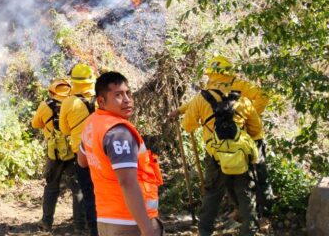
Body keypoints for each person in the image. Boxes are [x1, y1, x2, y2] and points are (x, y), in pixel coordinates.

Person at [177, 57, 262, 236]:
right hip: (240, 156)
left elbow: (187, 126)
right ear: (229, 75)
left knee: (212, 194)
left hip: (215, 155)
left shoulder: (201, 99)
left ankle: (205, 231)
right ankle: (250, 231)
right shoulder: (244, 101)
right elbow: (256, 129)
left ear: (211, 75)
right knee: (245, 192)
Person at [78, 71, 163, 236]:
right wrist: (147, 229)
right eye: (118, 95)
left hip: (105, 220)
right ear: (101, 101)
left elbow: (82, 161)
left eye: (128, 93)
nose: (127, 100)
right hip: (130, 223)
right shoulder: (119, 132)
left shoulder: (92, 122)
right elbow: (127, 182)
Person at [31, 78, 77, 232]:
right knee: (78, 188)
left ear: (52, 92)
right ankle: (80, 225)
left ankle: (46, 223)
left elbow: (36, 124)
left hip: (54, 153)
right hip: (73, 151)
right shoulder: (75, 104)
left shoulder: (45, 106)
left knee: (51, 187)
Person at [60, 64, 99, 236]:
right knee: (106, 191)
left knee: (88, 192)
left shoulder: (68, 102)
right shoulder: (102, 98)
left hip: (82, 154)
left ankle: (94, 229)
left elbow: (64, 129)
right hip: (103, 151)